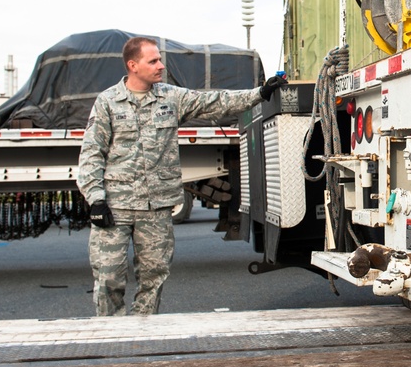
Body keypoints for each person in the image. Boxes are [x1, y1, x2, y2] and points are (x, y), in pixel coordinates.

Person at [77, 36, 287, 316]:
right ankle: (110, 335)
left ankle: (142, 335)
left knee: (154, 278)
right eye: (153, 61)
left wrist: (259, 93)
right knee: (108, 278)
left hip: (157, 208)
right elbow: (92, 153)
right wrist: (96, 200)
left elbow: (215, 102)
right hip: (116, 206)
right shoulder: (108, 102)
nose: (160, 65)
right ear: (133, 65)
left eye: (160, 59)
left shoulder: (170, 98)